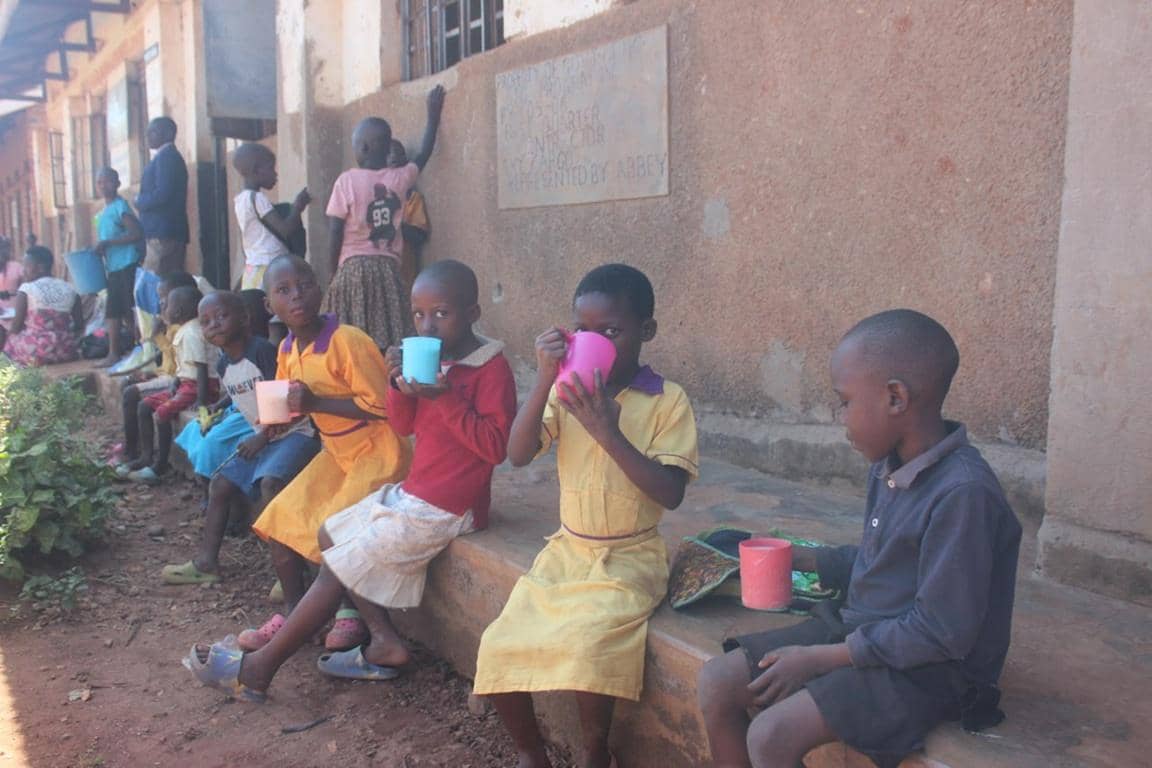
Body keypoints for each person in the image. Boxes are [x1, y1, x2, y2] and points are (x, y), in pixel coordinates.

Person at [697, 310, 1023, 768]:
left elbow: (942, 633)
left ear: (895, 398)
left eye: (844, 401)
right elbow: (880, 563)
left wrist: (819, 658)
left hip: (933, 669)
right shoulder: (888, 464)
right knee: (716, 683)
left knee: (772, 735)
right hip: (863, 628)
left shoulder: (963, 494)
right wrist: (799, 557)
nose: (839, 416)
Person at [184, 259, 517, 701]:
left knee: (338, 562)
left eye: (442, 313)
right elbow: (403, 424)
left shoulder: (489, 369)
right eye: (418, 315)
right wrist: (398, 384)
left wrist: (446, 396)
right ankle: (384, 639)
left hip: (452, 506)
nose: (428, 324)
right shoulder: (438, 363)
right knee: (328, 532)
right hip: (417, 491)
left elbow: (495, 448)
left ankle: (262, 669)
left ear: (473, 313)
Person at [473, 264, 699, 768]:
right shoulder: (566, 391)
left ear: (647, 332)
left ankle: (596, 749)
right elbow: (516, 453)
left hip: (630, 556)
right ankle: (533, 755)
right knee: (498, 644)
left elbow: (671, 492)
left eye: (612, 332)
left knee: (590, 647)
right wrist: (544, 379)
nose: (596, 341)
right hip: (568, 551)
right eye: (584, 331)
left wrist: (608, 432)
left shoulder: (667, 401)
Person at [241, 255, 411, 619]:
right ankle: (293, 613)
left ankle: (348, 617)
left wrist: (316, 401)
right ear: (270, 306)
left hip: (377, 450)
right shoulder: (288, 348)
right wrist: (278, 421)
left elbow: (384, 408)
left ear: (321, 289)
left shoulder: (348, 341)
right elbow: (295, 401)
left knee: (334, 528)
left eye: (304, 285)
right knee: (280, 519)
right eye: (283, 291)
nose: (297, 296)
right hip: (336, 452)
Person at [163, 291, 320, 585]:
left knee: (271, 484)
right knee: (221, 484)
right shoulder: (224, 365)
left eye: (222, 316)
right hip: (267, 437)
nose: (214, 325)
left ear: (245, 318)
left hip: (297, 434)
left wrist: (261, 438)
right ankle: (206, 562)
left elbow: (287, 400)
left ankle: (294, 572)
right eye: (206, 321)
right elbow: (243, 399)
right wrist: (223, 410)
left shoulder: (262, 351)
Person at [322, 84, 445, 351]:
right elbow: (422, 154)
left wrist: (332, 272)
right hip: (389, 269)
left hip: (352, 270)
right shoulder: (399, 179)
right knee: (391, 334)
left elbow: (335, 232)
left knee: (349, 337)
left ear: (362, 148)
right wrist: (433, 117)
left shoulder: (346, 181)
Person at [123, 286, 220, 484]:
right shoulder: (184, 331)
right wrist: (177, 380)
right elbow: (186, 365)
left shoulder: (191, 333)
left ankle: (159, 466)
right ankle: (146, 457)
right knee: (144, 406)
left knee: (161, 414)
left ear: (177, 312)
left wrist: (202, 402)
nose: (163, 309)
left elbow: (201, 369)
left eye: (166, 306)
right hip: (186, 383)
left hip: (199, 386)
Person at [232, 143, 311, 291]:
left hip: (254, 266)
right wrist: (297, 207)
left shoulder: (240, 200)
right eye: (271, 169)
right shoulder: (258, 198)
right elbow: (285, 230)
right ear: (256, 170)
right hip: (270, 265)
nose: (275, 174)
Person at [93, 167, 144, 367]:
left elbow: (137, 233)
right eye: (100, 182)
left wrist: (109, 243)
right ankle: (126, 350)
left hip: (127, 263)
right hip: (114, 266)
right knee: (119, 311)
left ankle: (128, 351)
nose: (104, 185)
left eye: (108, 181)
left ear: (117, 184)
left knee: (123, 310)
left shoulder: (120, 207)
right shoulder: (103, 211)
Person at [0, 246, 82, 367]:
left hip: (36, 353)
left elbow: (16, 328)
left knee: (10, 341)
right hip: (66, 350)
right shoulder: (70, 288)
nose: (24, 270)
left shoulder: (27, 289)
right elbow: (79, 326)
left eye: (27, 265)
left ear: (40, 268)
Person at [134, 117, 189, 277]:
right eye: (148, 132)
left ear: (169, 133)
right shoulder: (163, 156)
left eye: (153, 132)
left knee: (155, 281)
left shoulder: (167, 157)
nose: (148, 136)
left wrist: (139, 200)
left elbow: (163, 193)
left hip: (164, 233)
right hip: (164, 231)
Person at [386, 140, 430, 289]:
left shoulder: (411, 197)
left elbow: (419, 235)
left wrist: (394, 225)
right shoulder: (371, 198)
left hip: (404, 273)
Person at [0, 236, 22, 322]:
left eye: (6, 249)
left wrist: (11, 293)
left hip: (15, 312)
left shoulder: (17, 267)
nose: (4, 252)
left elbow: (26, 289)